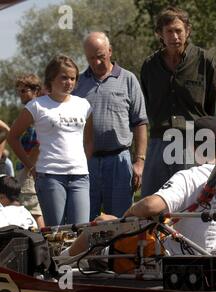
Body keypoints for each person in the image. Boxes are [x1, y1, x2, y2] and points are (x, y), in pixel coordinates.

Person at [67, 116, 216, 257]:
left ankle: (60, 264)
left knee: (101, 223)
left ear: (192, 145)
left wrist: (123, 219)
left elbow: (149, 207)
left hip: (170, 259)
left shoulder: (189, 177)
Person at [140, 6, 216, 198]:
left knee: (189, 201)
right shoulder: (149, 66)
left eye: (179, 31)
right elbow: (148, 104)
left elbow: (215, 108)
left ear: (188, 31)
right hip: (159, 141)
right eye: (169, 31)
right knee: (152, 201)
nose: (175, 36)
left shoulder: (205, 61)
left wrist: (214, 150)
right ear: (159, 34)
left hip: (193, 142)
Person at [8, 55, 93, 226]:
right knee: (57, 233)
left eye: (73, 78)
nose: (69, 82)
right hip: (50, 176)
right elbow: (12, 136)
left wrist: (84, 162)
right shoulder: (37, 106)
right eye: (64, 77)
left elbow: (89, 140)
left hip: (80, 177)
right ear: (51, 78)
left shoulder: (84, 105)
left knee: (81, 231)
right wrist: (30, 166)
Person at [73, 32, 148, 220]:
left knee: (121, 221)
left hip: (119, 160)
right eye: (91, 58)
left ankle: (118, 251)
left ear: (110, 51)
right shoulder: (78, 83)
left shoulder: (128, 79)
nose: (97, 62)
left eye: (100, 56)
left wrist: (139, 161)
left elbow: (140, 122)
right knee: (85, 221)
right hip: (86, 162)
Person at [13, 74, 45, 228]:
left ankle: (43, 244)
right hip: (26, 167)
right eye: (19, 91)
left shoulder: (36, 112)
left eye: (24, 91)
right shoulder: (29, 111)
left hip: (29, 169)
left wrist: (29, 167)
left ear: (36, 91)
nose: (20, 95)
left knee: (33, 210)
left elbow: (39, 144)